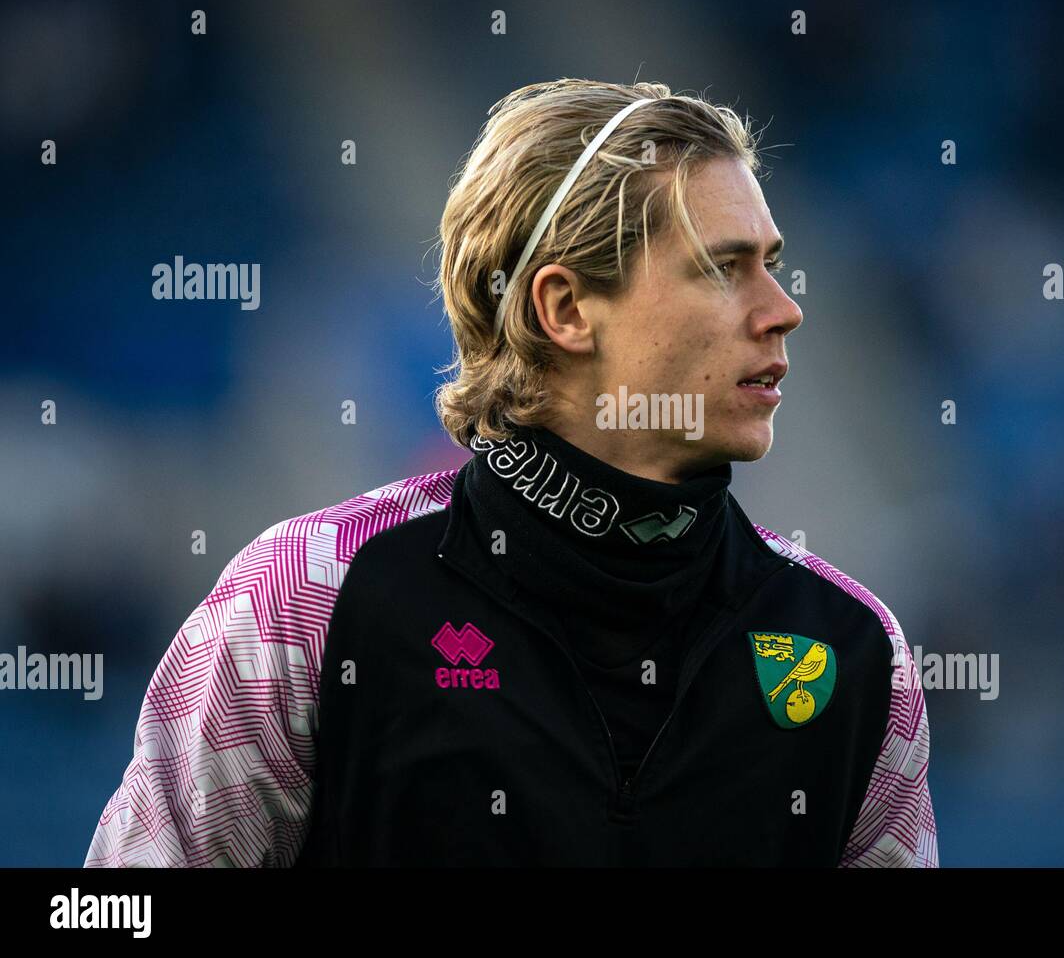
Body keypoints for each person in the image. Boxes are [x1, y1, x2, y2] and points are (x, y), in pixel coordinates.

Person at [85, 78, 938, 867]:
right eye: (723, 268)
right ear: (565, 309)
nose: (783, 310)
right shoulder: (309, 600)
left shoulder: (854, 653)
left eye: (773, 264)